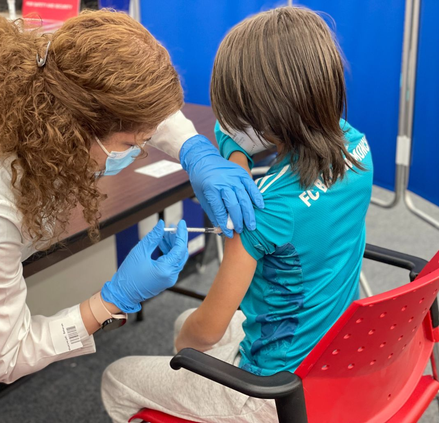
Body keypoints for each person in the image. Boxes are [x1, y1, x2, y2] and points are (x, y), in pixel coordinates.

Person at [0, 10, 263, 386]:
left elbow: (131, 107)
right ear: (70, 127)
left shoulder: (60, 67)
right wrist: (111, 300)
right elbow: (2, 357)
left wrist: (194, 150)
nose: (139, 151)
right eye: (129, 144)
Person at [101, 6, 374, 423]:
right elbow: (229, 132)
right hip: (332, 349)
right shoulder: (356, 146)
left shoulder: (261, 215)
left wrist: (183, 346)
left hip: (271, 392)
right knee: (182, 317)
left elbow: (204, 332)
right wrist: (235, 165)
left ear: (263, 115)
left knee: (123, 373)